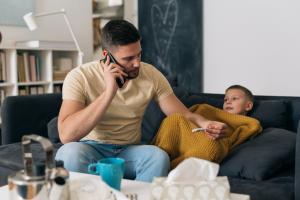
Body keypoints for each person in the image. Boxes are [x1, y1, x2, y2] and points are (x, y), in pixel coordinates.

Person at [55, 19, 226, 182]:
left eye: (139, 54)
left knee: (158, 157)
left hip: (129, 152)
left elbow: (183, 114)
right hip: (91, 149)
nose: (137, 63)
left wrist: (205, 123)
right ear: (107, 56)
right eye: (128, 58)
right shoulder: (80, 76)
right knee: (68, 153)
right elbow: (66, 135)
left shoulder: (151, 74)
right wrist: (109, 92)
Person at [154, 85, 262, 169]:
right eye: (226, 99)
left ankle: (165, 168)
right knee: (175, 117)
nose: (228, 101)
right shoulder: (210, 111)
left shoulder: (249, 123)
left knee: (211, 145)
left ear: (248, 106)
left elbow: (238, 138)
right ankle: (159, 160)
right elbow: (190, 118)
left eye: (234, 99)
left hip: (210, 143)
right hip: (189, 136)